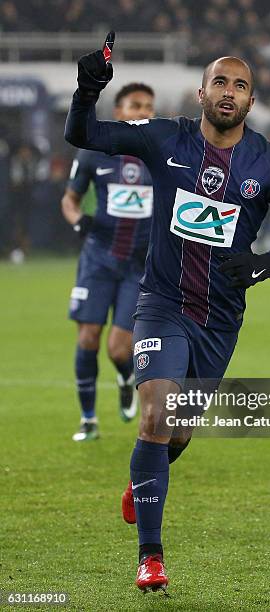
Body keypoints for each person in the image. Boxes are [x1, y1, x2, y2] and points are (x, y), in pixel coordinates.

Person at [65, 34, 270, 592]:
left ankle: (143, 477)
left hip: (219, 321)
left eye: (241, 86)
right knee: (156, 414)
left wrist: (266, 265)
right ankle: (150, 558)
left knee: (175, 434)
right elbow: (82, 134)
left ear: (250, 102)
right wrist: (88, 90)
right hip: (160, 304)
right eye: (221, 82)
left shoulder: (268, 163)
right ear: (201, 92)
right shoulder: (166, 138)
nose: (229, 92)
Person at [62, 81, 155, 441]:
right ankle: (88, 420)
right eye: (135, 105)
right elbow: (70, 199)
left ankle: (127, 376)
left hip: (139, 265)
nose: (143, 111)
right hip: (99, 259)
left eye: (148, 105)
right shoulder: (92, 152)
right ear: (119, 112)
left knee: (120, 347)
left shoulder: (161, 154)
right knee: (88, 337)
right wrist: (77, 220)